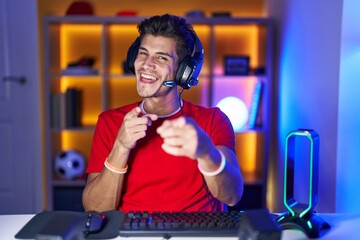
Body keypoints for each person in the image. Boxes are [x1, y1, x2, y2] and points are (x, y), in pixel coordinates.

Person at [82, 13, 244, 213]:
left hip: (194, 233)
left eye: (161, 57)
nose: (146, 65)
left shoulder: (212, 120)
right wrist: (121, 147)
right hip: (132, 233)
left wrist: (206, 152)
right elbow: (94, 209)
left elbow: (233, 195)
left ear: (184, 72)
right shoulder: (110, 121)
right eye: (143, 53)